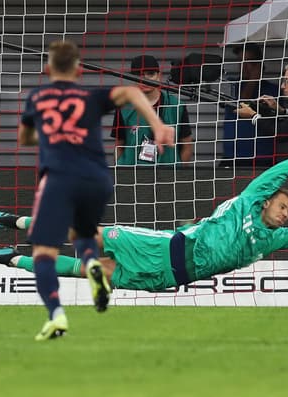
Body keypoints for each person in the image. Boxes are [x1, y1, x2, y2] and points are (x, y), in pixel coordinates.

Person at [0, 136, 288, 293]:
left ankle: (8, 257)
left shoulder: (273, 240)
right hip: (162, 248)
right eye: (284, 205)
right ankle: (19, 222)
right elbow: (279, 171)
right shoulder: (249, 202)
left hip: (166, 278)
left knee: (84, 270)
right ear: (268, 201)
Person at [19, 40, 174, 342]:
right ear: (79, 71)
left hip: (60, 177)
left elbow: (26, 138)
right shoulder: (89, 97)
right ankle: (91, 263)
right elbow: (130, 92)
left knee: (44, 254)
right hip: (97, 178)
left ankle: (56, 316)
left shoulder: (38, 98)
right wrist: (156, 124)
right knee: (83, 231)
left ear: (48, 69)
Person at [113, 54, 194, 165]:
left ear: (159, 75)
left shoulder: (176, 105)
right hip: (132, 176)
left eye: (150, 74)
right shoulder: (124, 106)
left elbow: (187, 145)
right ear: (132, 78)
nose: (145, 79)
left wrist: (179, 175)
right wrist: (122, 172)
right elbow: (119, 146)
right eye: (139, 75)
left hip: (168, 175)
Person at [220, 43, 277, 164]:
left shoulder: (273, 90)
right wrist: (252, 81)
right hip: (232, 157)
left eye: (249, 62)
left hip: (262, 159)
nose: (244, 66)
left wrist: (255, 79)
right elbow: (241, 105)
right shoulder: (231, 85)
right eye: (241, 61)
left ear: (259, 65)